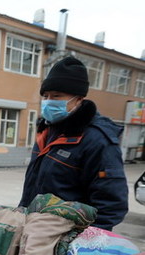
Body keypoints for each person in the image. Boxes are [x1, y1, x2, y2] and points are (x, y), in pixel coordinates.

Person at [19, 56, 128, 230]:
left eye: (56, 96)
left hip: (67, 235)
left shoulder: (97, 140)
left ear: (78, 99)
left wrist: (85, 242)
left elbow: (111, 204)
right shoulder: (46, 132)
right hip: (32, 228)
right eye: (45, 96)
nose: (48, 101)